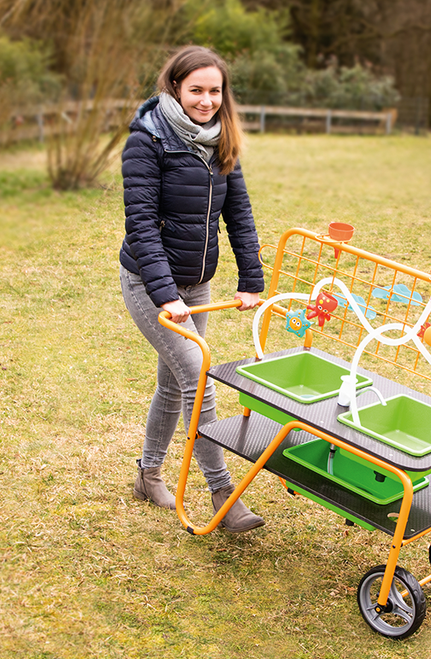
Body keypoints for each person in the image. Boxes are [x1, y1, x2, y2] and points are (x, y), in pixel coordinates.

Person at [119, 45, 266, 532]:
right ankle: (223, 492)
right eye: (196, 90)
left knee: (174, 380)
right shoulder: (147, 140)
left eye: (215, 91)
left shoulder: (221, 139)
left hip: (198, 283)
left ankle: (148, 476)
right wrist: (166, 295)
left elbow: (238, 213)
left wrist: (250, 279)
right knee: (198, 376)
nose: (206, 101)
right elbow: (142, 224)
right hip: (148, 282)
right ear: (175, 88)